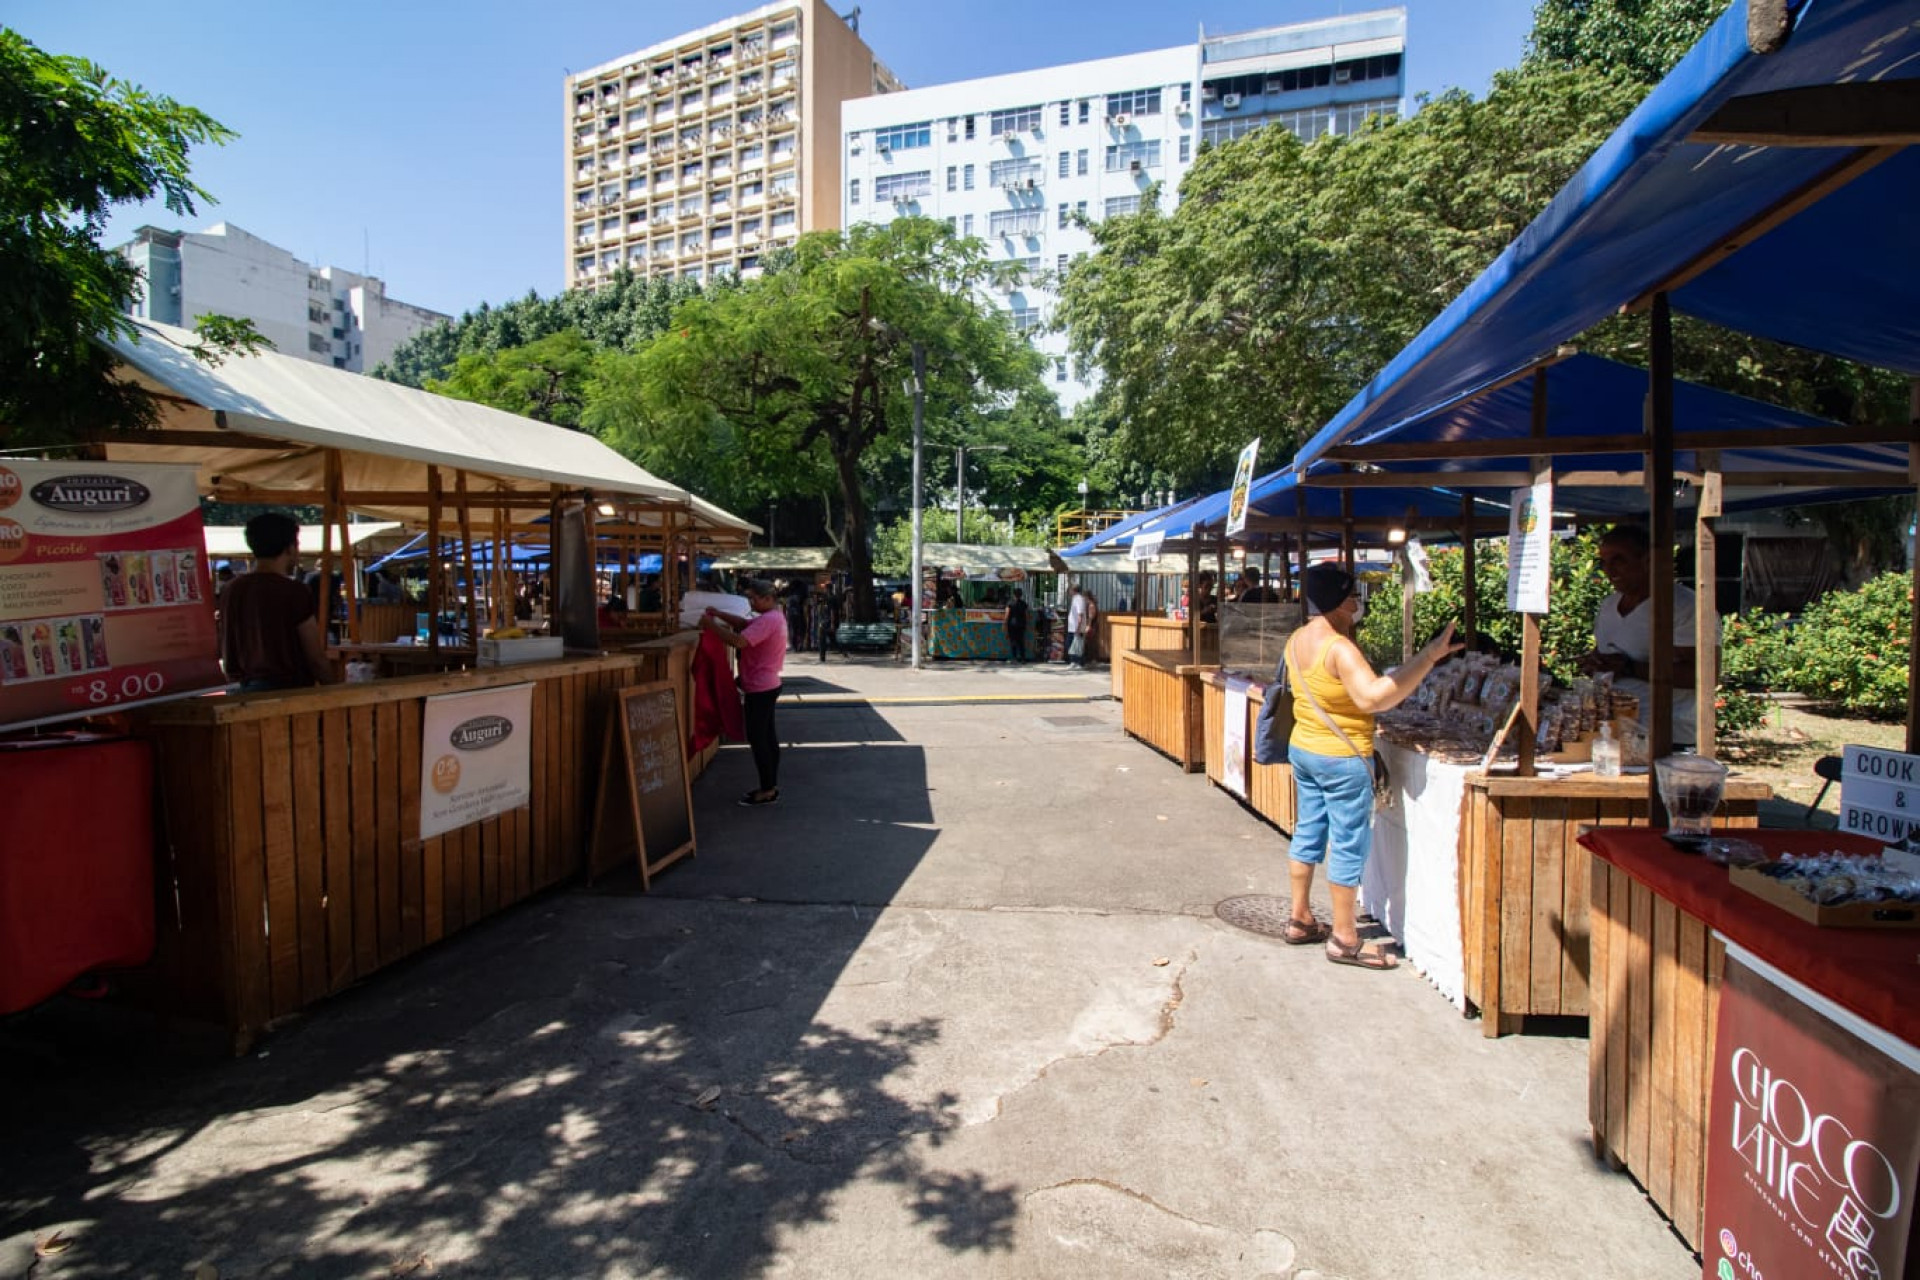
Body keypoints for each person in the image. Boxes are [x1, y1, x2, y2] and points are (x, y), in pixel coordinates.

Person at [1285, 564, 1460, 970]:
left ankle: (1299, 918)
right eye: (1352, 596)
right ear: (1339, 602)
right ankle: (1345, 938)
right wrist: (1428, 657)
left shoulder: (1296, 640)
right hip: (1342, 757)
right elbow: (1373, 698)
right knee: (1347, 841)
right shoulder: (1340, 648)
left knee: (1309, 829)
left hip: (1305, 748)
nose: (1356, 603)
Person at [1577, 524, 1717, 747]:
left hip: (1668, 735)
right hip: (1612, 731)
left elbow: (1703, 675)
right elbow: (1608, 652)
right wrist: (1596, 663)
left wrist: (1630, 668)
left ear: (1648, 560)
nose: (1609, 569)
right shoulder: (1608, 605)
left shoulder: (1685, 606)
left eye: (1619, 559)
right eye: (1604, 562)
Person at [221, 513, 338, 692]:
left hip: (238, 689)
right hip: (285, 692)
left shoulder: (231, 589)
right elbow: (315, 658)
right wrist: (334, 691)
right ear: (290, 548)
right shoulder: (293, 591)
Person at [701, 577, 788, 806]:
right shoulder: (772, 617)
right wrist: (719, 614)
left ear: (768, 599)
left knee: (760, 739)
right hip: (765, 684)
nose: (750, 602)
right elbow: (743, 625)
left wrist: (711, 626)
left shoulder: (769, 620)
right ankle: (771, 785)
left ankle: (767, 789)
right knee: (767, 737)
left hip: (761, 686)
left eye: (754, 598)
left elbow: (740, 641)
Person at [1065, 586, 1089, 667]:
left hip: (1076, 627)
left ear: (1073, 590)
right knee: (1073, 644)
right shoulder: (1076, 599)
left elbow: (1080, 614)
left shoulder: (1078, 599)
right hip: (1073, 627)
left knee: (1075, 644)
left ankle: (1077, 662)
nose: (1068, 592)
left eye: (1070, 590)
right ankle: (1075, 662)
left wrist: (1078, 628)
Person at [1005, 589, 1029, 662]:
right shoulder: (1024, 603)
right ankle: (1023, 658)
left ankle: (1014, 657)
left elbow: (1007, 614)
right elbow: (1026, 615)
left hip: (1012, 624)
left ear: (1013, 594)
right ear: (1021, 595)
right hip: (1021, 625)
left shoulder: (1010, 603)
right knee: (1021, 642)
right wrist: (1025, 624)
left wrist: (1004, 623)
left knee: (1013, 641)